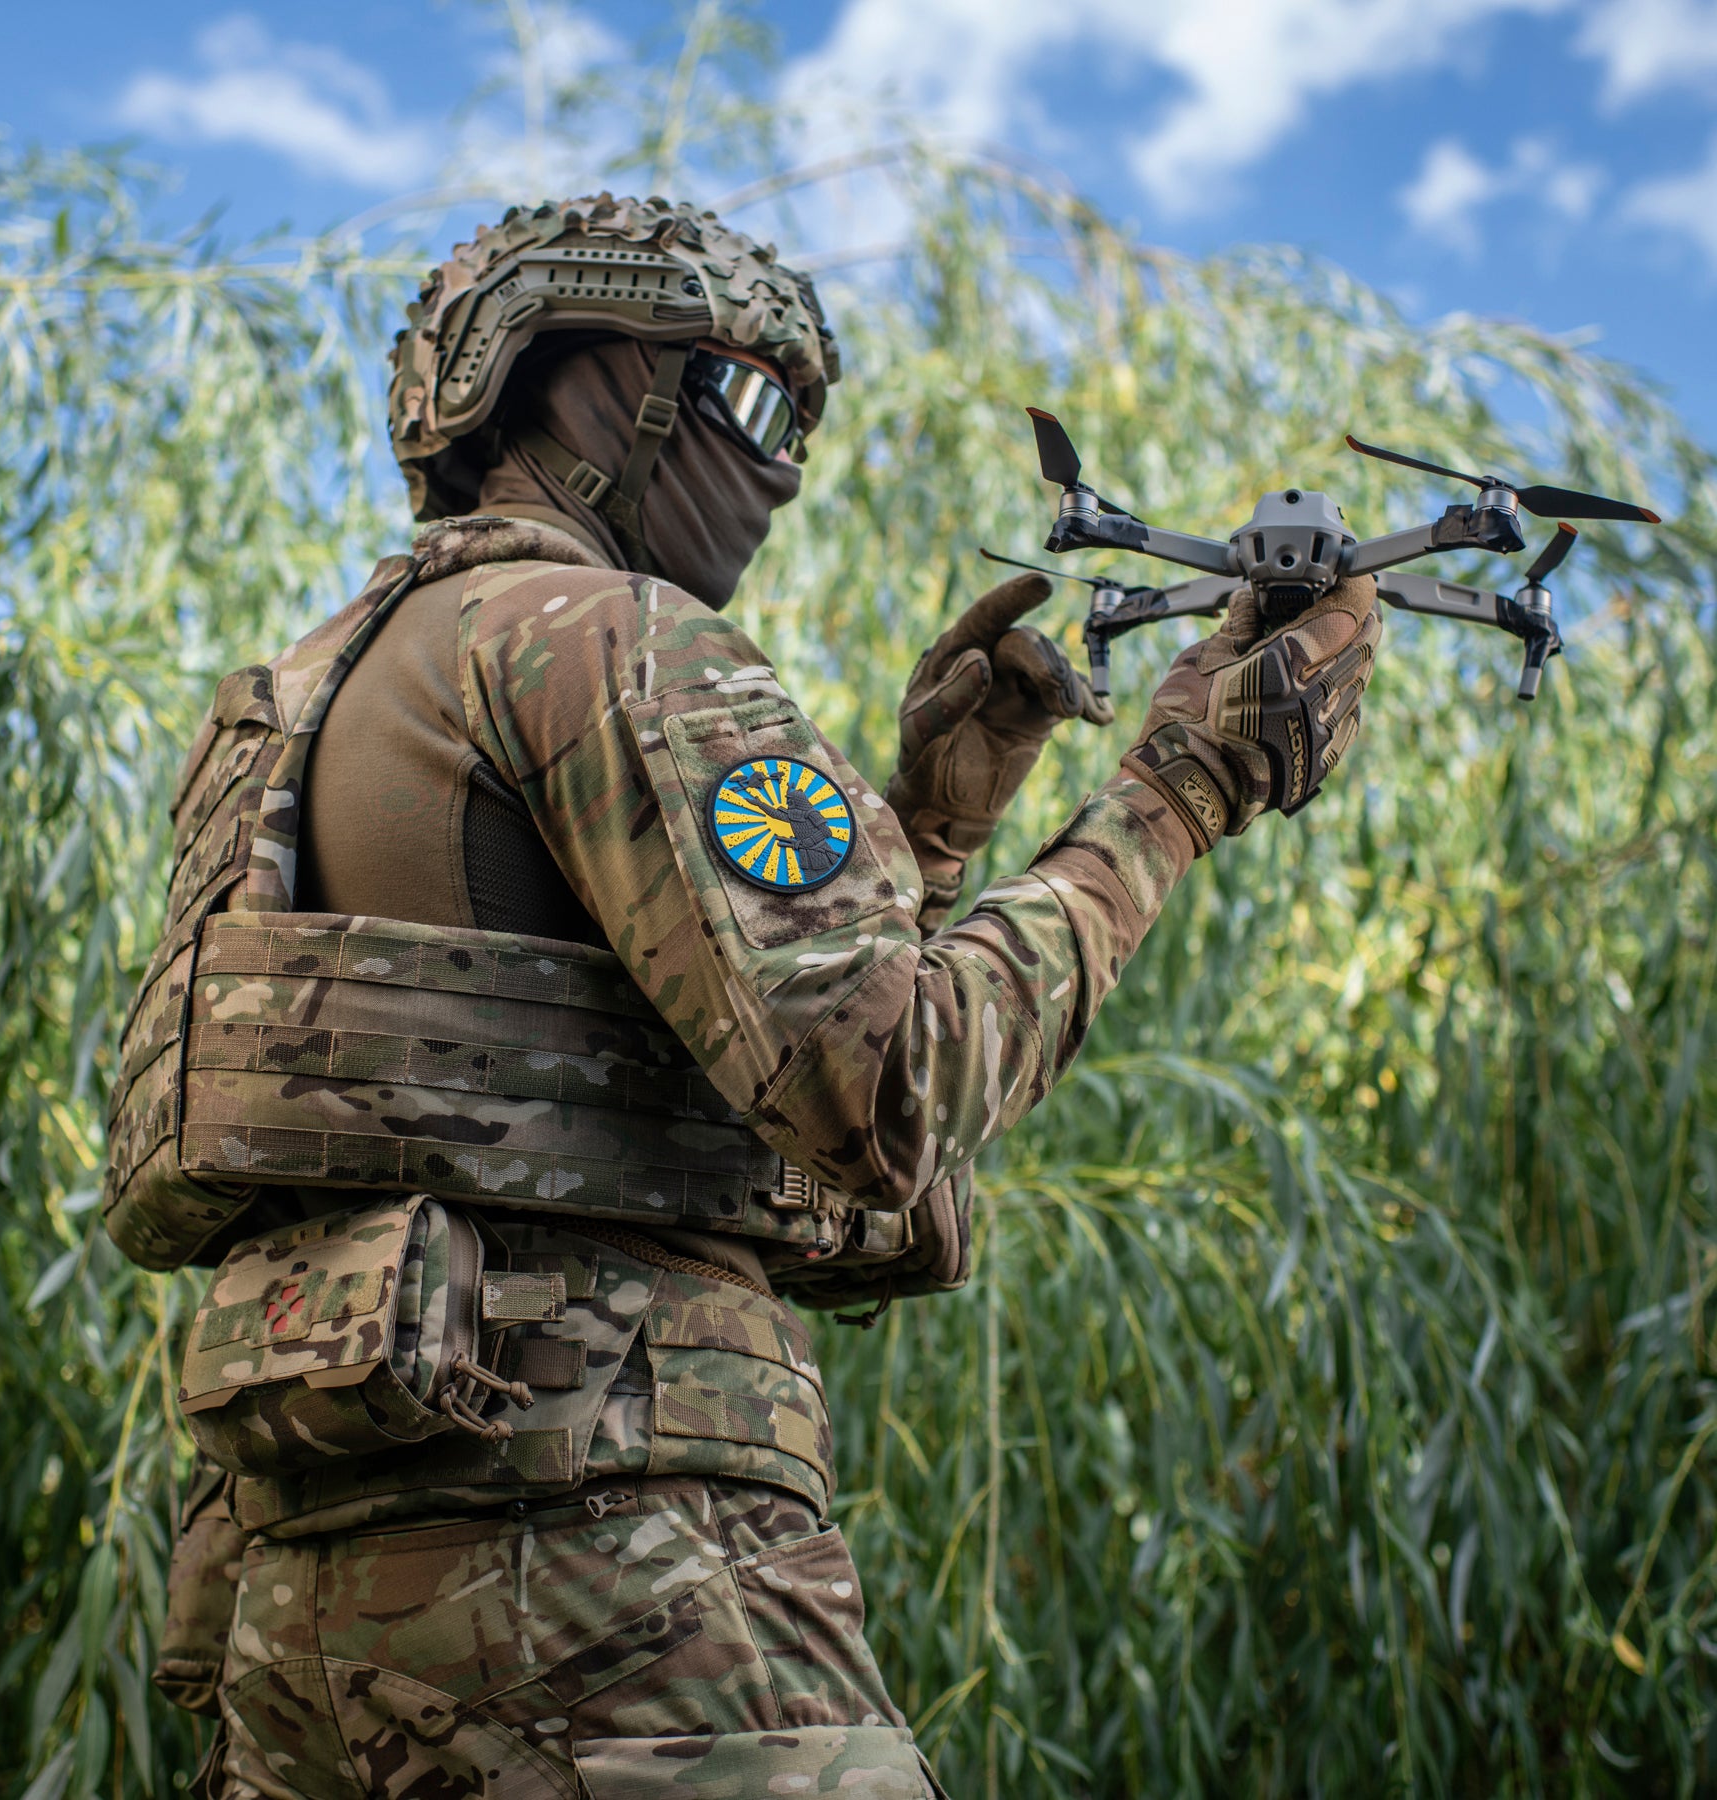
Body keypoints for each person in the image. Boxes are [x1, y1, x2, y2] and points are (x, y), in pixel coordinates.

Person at [107, 193, 1380, 1799]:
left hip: (308, 1612)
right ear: (590, 382)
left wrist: (928, 837)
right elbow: (889, 1091)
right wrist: (1184, 784)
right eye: (756, 404)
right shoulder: (604, 638)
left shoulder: (301, 702)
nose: (780, 474)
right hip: (608, 1587)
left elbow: (576, 1112)